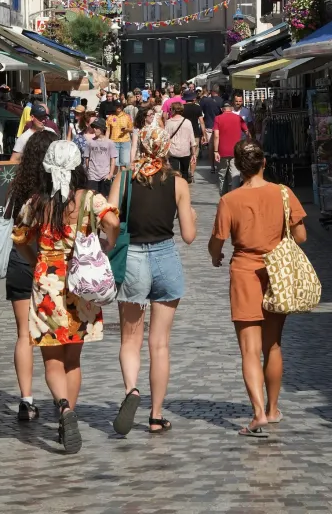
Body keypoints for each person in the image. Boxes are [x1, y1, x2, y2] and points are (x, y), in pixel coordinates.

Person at [13, 140, 120, 453]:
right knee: (73, 360)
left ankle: (63, 409)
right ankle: (69, 412)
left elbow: (19, 237)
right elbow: (113, 221)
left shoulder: (37, 202)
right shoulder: (89, 198)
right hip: (80, 284)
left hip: (48, 283)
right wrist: (106, 245)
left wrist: (38, 262)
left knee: (52, 359)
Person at [208, 141, 307, 437]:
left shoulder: (230, 200)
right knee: (273, 345)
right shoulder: (283, 193)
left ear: (238, 166)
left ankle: (257, 413)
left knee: (249, 350)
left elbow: (217, 242)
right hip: (276, 272)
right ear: (264, 163)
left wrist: (215, 256)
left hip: (244, 272)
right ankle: (274, 408)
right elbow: (301, 235)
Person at [108, 126, 196, 436]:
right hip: (166, 257)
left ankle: (132, 390)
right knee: (159, 344)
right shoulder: (178, 183)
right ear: (166, 148)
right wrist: (192, 217)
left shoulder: (124, 179)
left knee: (130, 339)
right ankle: (156, 416)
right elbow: (188, 236)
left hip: (132, 258)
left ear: (141, 145)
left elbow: (110, 221)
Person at [4, 130, 56, 420]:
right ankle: (61, 398)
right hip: (49, 266)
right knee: (51, 335)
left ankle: (26, 400)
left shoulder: (19, 184)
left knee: (23, 334)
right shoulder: (58, 191)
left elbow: (12, 222)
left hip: (20, 262)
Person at [214, 100, 247, 196]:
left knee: (222, 175)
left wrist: (216, 151)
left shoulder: (218, 118)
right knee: (235, 174)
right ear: (231, 108)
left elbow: (216, 135)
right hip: (236, 151)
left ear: (222, 109)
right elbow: (247, 131)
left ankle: (223, 196)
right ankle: (234, 196)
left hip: (222, 151)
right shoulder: (238, 118)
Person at [84, 119, 117, 195]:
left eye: (96, 127)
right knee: (91, 197)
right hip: (92, 175)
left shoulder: (110, 143)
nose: (94, 129)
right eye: (94, 128)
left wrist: (110, 174)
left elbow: (113, 159)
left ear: (102, 129)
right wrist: (89, 170)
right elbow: (86, 157)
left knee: (103, 199)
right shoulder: (89, 142)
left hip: (105, 175)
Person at [165, 102, 196, 183]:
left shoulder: (168, 123)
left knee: (174, 174)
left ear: (173, 110)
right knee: (185, 173)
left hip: (173, 151)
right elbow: (192, 139)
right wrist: (194, 154)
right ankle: (184, 189)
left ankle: (175, 191)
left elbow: (166, 139)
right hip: (185, 151)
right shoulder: (187, 122)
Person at [200, 85, 224, 173]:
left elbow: (200, 112)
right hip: (220, 126)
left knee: (211, 148)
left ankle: (212, 166)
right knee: (219, 147)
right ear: (218, 92)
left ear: (211, 91)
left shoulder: (205, 101)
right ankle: (219, 165)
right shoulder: (222, 101)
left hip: (209, 126)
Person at [182, 90, 206, 177]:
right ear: (193, 99)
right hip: (195, 133)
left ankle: (185, 172)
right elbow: (201, 122)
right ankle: (191, 173)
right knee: (194, 154)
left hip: (184, 134)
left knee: (185, 154)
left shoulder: (181, 108)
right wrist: (204, 134)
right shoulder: (197, 107)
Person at [106, 102, 133, 171]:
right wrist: (106, 142)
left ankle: (123, 180)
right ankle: (114, 180)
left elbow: (132, 129)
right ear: (114, 107)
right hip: (114, 142)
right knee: (114, 164)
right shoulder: (110, 117)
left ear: (122, 107)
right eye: (117, 106)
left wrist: (127, 129)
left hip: (125, 142)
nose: (118, 107)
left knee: (124, 164)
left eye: (120, 106)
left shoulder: (127, 116)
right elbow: (108, 131)